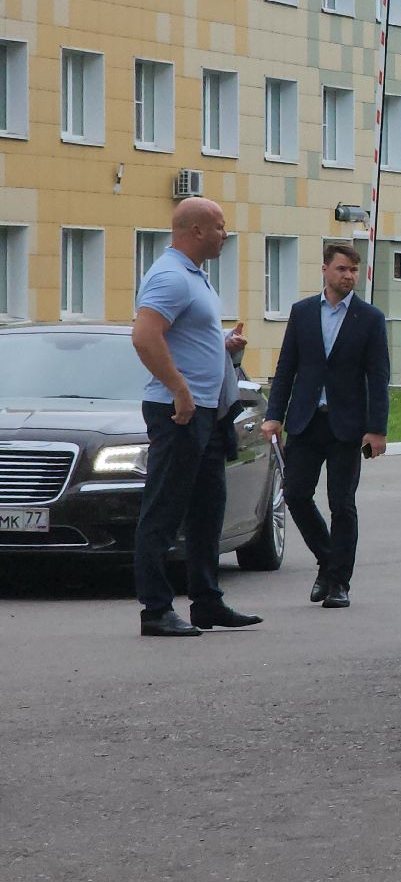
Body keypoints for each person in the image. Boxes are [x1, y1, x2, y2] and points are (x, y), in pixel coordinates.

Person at [128, 197, 262, 637]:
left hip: (207, 410)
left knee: (208, 508)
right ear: (197, 231)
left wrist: (221, 345)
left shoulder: (194, 276)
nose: (225, 234)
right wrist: (180, 390)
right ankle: (155, 609)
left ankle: (206, 601)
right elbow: (145, 337)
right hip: (179, 411)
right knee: (165, 509)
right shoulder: (169, 276)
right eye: (220, 227)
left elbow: (184, 337)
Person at [263, 243, 391, 610]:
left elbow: (377, 377)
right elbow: (287, 367)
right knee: (296, 495)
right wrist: (275, 415)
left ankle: (338, 583)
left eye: (353, 270)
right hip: (305, 421)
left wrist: (376, 429)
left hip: (347, 426)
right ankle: (327, 558)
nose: (348, 276)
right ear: (325, 270)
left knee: (342, 503)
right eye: (341, 269)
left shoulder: (369, 318)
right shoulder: (303, 313)